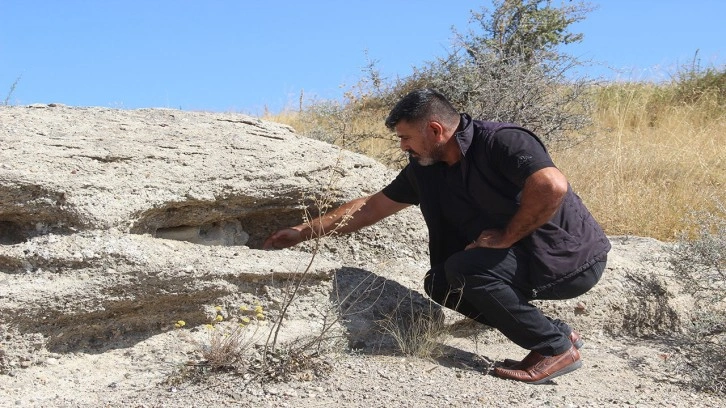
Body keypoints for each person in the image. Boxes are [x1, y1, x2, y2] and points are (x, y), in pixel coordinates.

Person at [263, 88, 610, 384]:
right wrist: (302, 233)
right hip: (525, 260)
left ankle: (556, 350)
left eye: (405, 137)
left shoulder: (502, 140)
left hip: (569, 259)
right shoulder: (425, 170)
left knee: (466, 268)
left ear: (434, 129)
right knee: (441, 282)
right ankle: (553, 335)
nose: (403, 147)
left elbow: (551, 185)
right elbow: (370, 206)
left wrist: (505, 236)